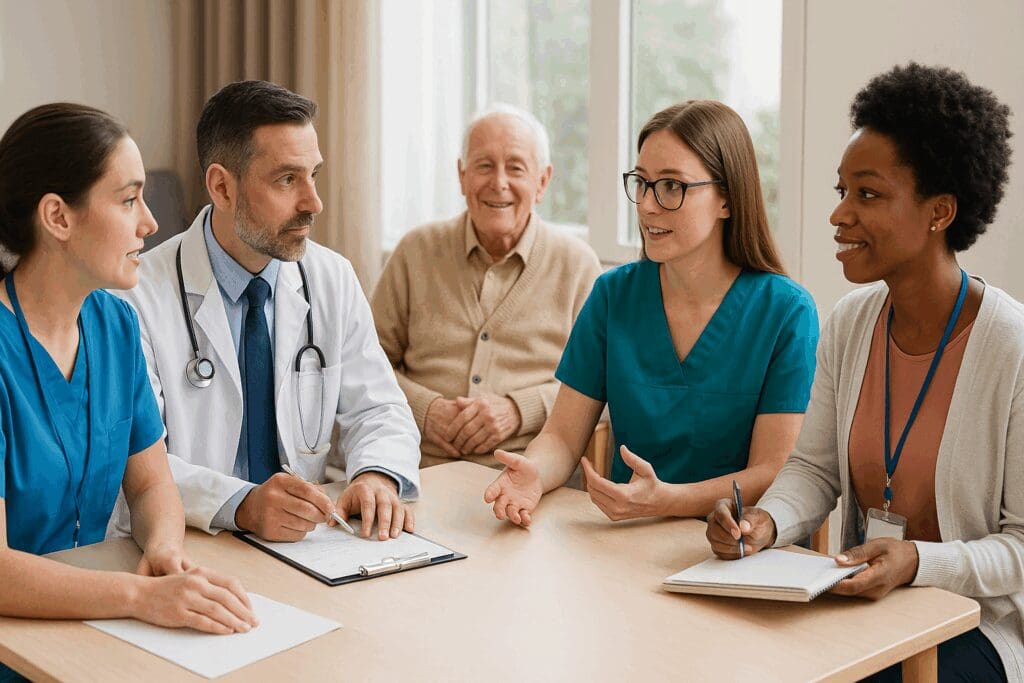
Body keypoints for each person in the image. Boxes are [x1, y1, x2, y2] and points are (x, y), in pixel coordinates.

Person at [706, 63, 1020, 681]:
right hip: (861, 608)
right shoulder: (851, 322)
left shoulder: (1010, 347)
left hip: (976, 624)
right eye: (841, 191)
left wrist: (917, 561)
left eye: (867, 194)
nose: (839, 215)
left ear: (939, 211)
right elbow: (813, 469)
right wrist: (764, 523)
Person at [113, 80, 421, 543]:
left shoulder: (331, 277)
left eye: (313, 175)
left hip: (306, 543)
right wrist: (241, 504)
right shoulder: (134, 299)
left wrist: (376, 474)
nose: (313, 203)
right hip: (191, 540)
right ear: (222, 186)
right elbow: (135, 465)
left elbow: (380, 408)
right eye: (286, 180)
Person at [0, 103, 257, 658]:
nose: (150, 222)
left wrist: (164, 552)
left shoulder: (115, 325)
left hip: (95, 630)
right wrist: (141, 597)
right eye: (127, 199)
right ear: (58, 217)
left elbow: (149, 484)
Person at [485, 100, 818, 526]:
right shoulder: (613, 296)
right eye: (641, 183)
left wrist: (667, 501)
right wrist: (535, 472)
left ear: (727, 200)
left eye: (672, 186)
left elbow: (772, 474)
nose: (647, 205)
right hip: (626, 540)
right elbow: (563, 437)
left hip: (738, 552)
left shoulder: (786, 313)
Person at [372, 105, 602, 468]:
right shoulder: (415, 252)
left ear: (542, 181)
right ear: (462, 176)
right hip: (417, 470)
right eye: (483, 166)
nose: (499, 183)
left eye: (515, 167)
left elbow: (605, 390)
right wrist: (425, 409)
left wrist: (518, 409)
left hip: (531, 479)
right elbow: (366, 362)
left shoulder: (578, 266)